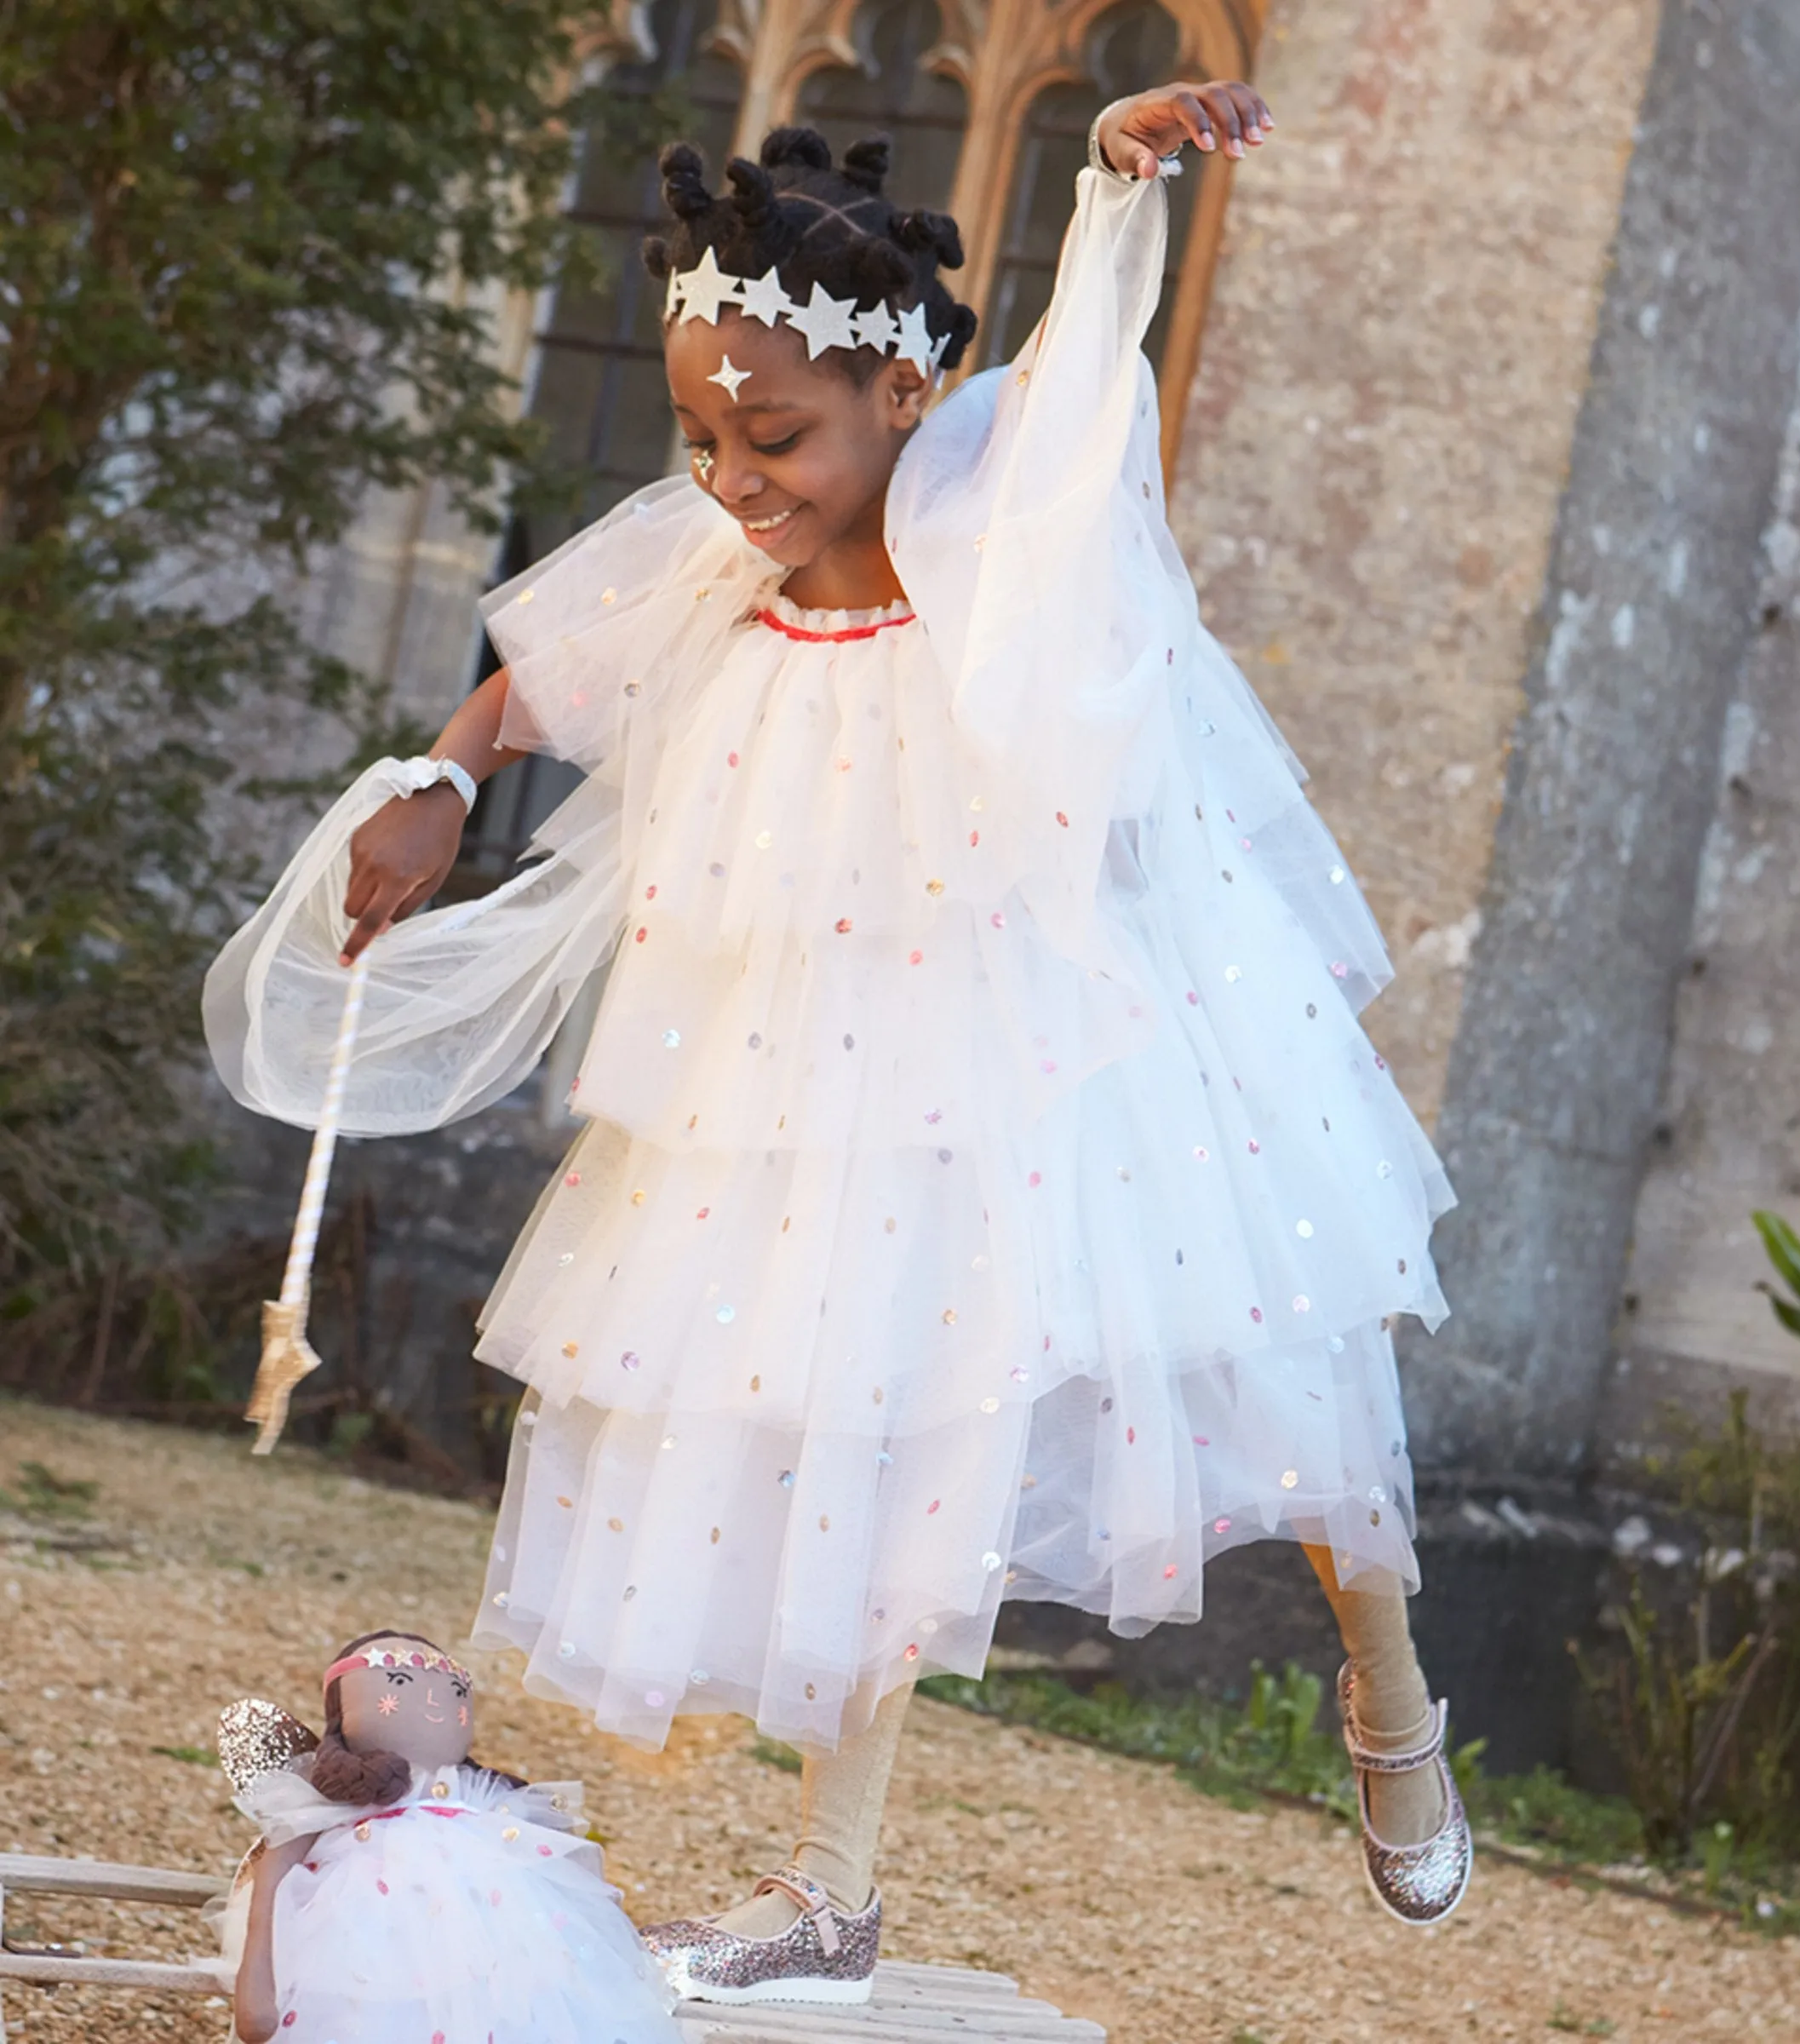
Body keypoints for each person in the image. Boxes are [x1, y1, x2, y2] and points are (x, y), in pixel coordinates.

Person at [206, 78, 1470, 2007]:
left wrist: (1113, 189)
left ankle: (1386, 1690)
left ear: (899, 401)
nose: (728, 474)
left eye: (773, 435)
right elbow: (549, 667)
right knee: (858, 1413)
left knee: (1284, 1371)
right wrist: (439, 782)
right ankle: (831, 1883)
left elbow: (1075, 382)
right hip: (829, 1062)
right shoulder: (721, 552)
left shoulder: (993, 510)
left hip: (1070, 1031)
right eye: (704, 430)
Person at [219, 1631, 674, 2042]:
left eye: (456, 1693)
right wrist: (256, 1985)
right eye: (399, 1685)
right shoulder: (337, 1803)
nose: (437, 1705)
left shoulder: (490, 1801)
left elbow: (567, 1856)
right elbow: (273, 1872)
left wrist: (597, 1915)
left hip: (503, 1959)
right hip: (362, 1950)